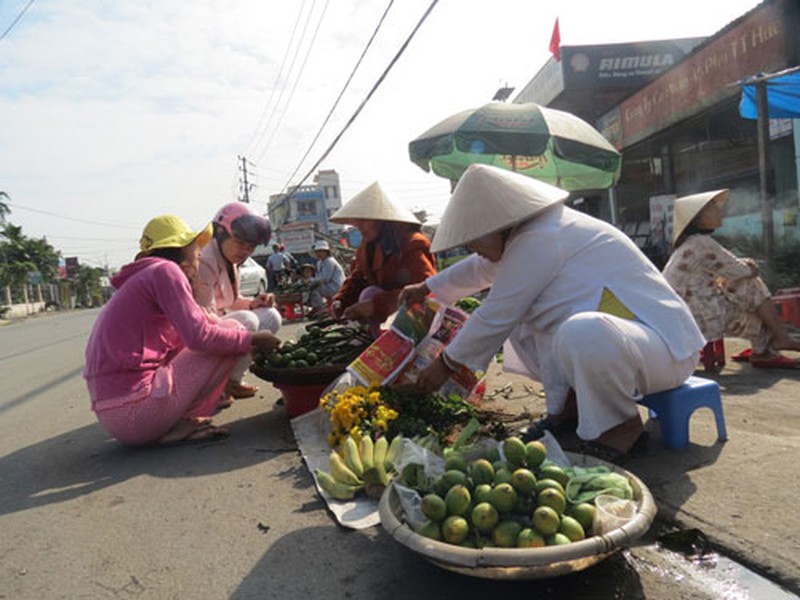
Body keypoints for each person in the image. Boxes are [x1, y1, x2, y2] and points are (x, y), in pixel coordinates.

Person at [398, 164, 706, 463]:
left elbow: (497, 311)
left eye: (474, 240)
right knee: (542, 323)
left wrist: (445, 364)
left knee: (582, 331)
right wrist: (427, 287)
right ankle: (566, 414)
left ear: (497, 227)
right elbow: (483, 268)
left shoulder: (542, 234)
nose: (472, 248)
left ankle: (621, 428)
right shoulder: (531, 234)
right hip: (631, 346)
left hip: (665, 350)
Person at [83, 215, 281, 446]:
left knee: (230, 331)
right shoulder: (166, 271)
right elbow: (200, 337)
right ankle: (176, 424)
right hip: (136, 413)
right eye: (195, 248)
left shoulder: (145, 277)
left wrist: (246, 340)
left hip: (117, 417)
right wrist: (252, 340)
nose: (199, 254)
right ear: (183, 249)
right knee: (236, 328)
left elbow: (203, 322)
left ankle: (171, 425)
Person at [663, 189, 800, 368]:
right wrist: (750, 267)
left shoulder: (691, 244)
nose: (720, 211)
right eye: (713, 209)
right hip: (700, 316)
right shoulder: (702, 243)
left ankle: (770, 344)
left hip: (686, 314)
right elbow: (741, 271)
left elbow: (728, 268)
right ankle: (776, 342)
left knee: (744, 289)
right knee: (751, 285)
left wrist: (744, 268)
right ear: (698, 219)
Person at [194, 202, 283, 404]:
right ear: (220, 232)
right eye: (240, 242)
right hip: (194, 340)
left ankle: (232, 381)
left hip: (215, 326)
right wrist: (250, 339)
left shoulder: (230, 259)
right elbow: (204, 322)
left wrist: (253, 302)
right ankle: (214, 386)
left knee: (269, 314)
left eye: (250, 246)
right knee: (246, 321)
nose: (245, 251)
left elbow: (231, 301)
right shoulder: (205, 260)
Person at [328, 182, 437, 334]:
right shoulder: (369, 245)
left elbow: (427, 290)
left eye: (364, 220)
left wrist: (376, 304)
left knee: (371, 294)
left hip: (414, 318)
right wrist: (342, 300)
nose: (359, 226)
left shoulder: (413, 243)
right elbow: (359, 277)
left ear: (383, 221)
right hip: (386, 317)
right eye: (357, 221)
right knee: (369, 292)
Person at [308, 240, 345, 317]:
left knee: (314, 290)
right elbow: (319, 276)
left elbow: (325, 278)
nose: (319, 253)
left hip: (335, 286)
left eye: (321, 251)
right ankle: (316, 307)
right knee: (310, 288)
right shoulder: (320, 262)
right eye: (317, 251)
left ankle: (320, 309)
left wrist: (311, 281)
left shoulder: (329, 261)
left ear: (326, 252)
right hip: (328, 284)